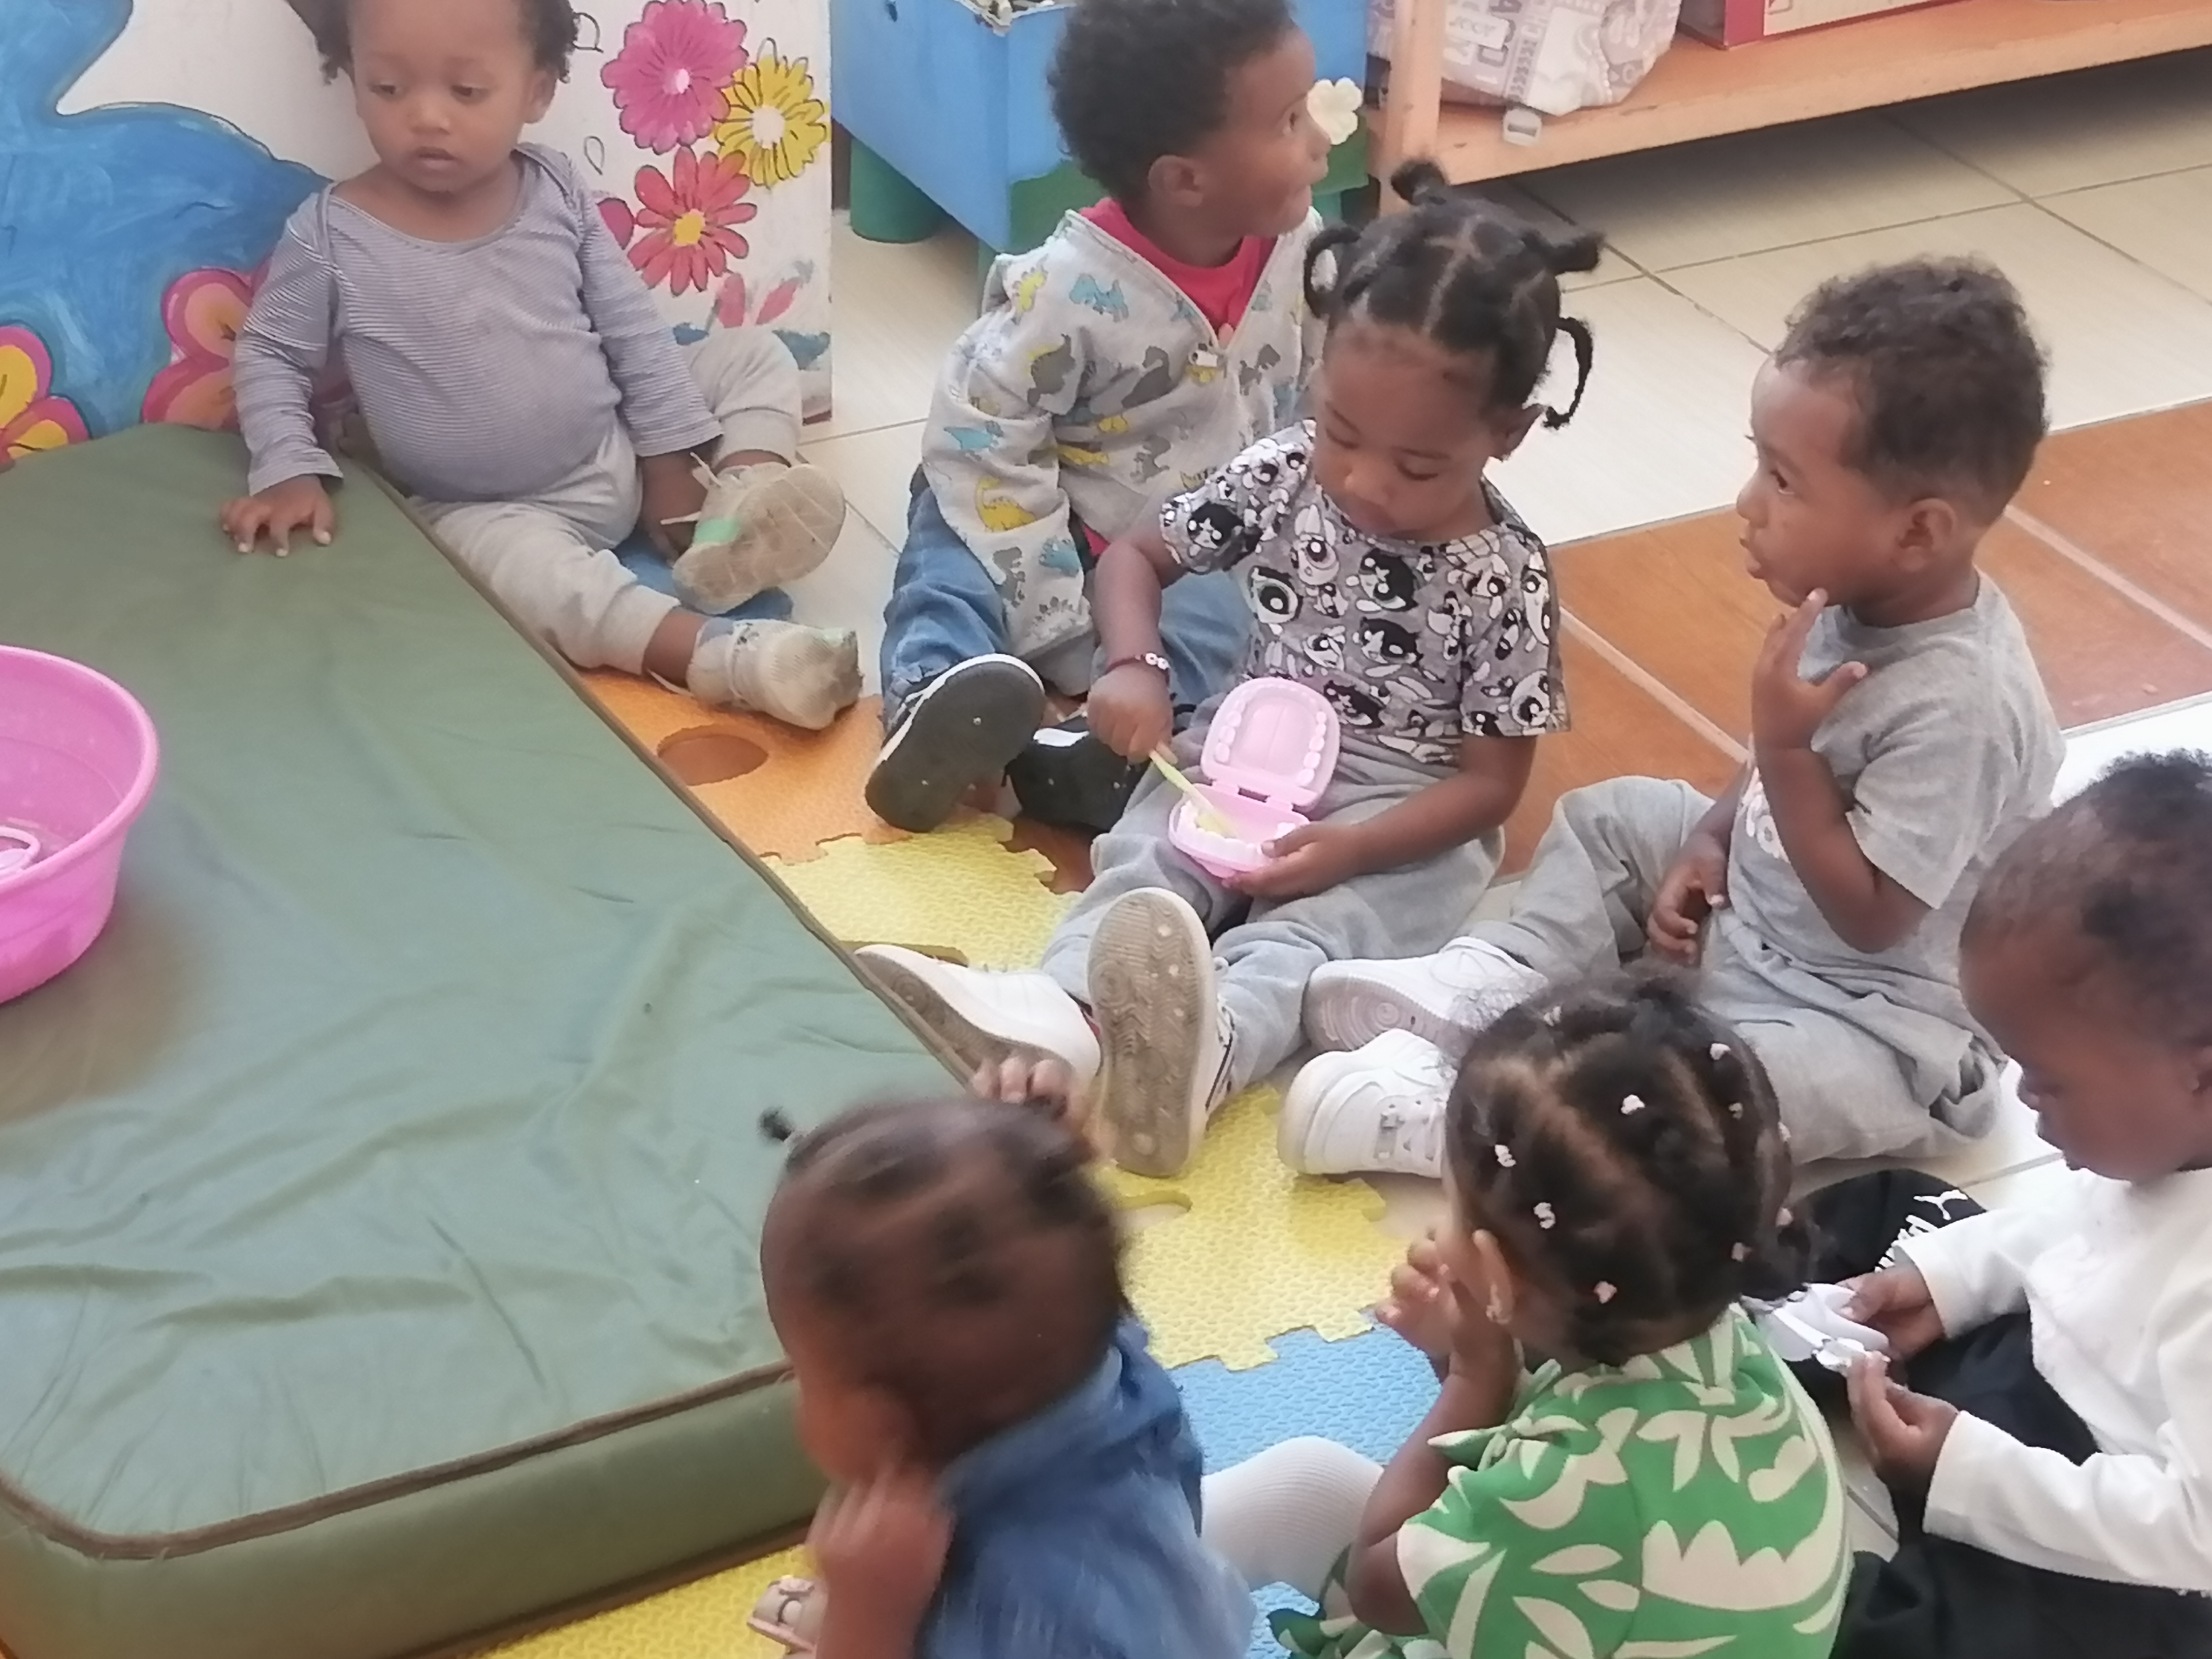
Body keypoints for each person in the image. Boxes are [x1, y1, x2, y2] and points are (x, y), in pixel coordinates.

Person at [857, 166, 1595, 1177]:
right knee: (1148, 862)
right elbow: (1136, 558)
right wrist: (1134, 663)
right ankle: (1062, 1016)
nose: (1364, 481)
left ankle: (1204, 1059)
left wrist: (1350, 849)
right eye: (1342, 431)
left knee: (1304, 944)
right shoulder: (1282, 470)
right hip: (1245, 749)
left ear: (1506, 433)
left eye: (1417, 466)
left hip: (1403, 818)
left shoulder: (1503, 577)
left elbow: (1490, 786)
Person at [1283, 257, 2064, 1172]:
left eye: (1783, 481)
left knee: (1718, 1091)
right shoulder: (1858, 598)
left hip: (1862, 1016)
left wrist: (1783, 748)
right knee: (1617, 817)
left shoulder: (1964, 705)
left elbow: (1872, 915)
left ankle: (1493, 1131)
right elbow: (1774, 774)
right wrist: (1711, 836)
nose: (1746, 503)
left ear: (1917, 531)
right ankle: (1501, 976)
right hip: (1753, 915)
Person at [222, 0, 860, 729]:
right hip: (486, 510)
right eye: (388, 88)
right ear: (352, 78)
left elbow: (631, 330)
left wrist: (667, 456)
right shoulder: (332, 235)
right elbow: (271, 351)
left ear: (537, 91)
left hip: (616, 439)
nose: (425, 117)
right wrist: (288, 466)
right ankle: (732, 658)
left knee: (753, 355)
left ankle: (737, 511)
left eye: (467, 91)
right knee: (526, 584)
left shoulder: (554, 190)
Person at [1202, 977, 1848, 1659]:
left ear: (1498, 1275)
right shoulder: (1730, 1352)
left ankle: (1124, 1591)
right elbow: (1534, 1447)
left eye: (1450, 1204)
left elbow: (1379, 1588)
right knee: (1308, 1489)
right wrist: (1466, 1353)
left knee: (1298, 1487)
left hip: (1445, 1598)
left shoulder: (1574, 1488)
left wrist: (1473, 1376)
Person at [864, 0, 1334, 833]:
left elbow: (1326, 394)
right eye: (1290, 122)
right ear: (1184, 180)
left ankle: (1099, 757)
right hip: (1041, 505)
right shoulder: (1066, 288)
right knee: (947, 545)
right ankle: (933, 697)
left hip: (1184, 542)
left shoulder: (1306, 251)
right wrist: (1044, 590)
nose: (1321, 142)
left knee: (1235, 615)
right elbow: (978, 433)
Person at [1803, 753, 2212, 1659]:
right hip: (2033, 1368)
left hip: (2106, 1542)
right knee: (1904, 1209)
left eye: (2050, 1081)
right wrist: (1945, 1282)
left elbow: (2192, 1529)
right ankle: (1726, 1311)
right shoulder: (2163, 1134)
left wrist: (1969, 1472)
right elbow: (2087, 1220)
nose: (2023, 1097)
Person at [749, 1097, 1252, 1659]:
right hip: (1166, 1577)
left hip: (1111, 1619)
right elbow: (1060, 1270)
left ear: (880, 1428)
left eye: (800, 1373)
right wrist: (1034, 1184)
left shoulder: (1010, 1617)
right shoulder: (1101, 1365)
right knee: (1305, 1476)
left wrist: (868, 1619)